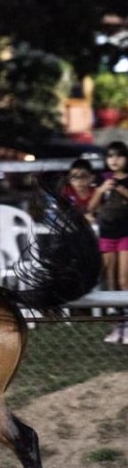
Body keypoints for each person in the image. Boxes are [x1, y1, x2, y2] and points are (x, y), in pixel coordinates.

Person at [88, 141, 128, 343]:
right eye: (110, 156)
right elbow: (91, 208)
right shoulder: (101, 180)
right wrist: (101, 190)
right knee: (110, 280)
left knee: (124, 279)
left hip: (126, 233)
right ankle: (117, 324)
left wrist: (122, 191)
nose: (114, 160)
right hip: (107, 233)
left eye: (119, 156)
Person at [59, 158, 96, 224]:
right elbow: (63, 212)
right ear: (69, 179)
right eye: (74, 177)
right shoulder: (66, 192)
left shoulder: (96, 192)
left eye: (83, 176)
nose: (79, 181)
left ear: (91, 178)